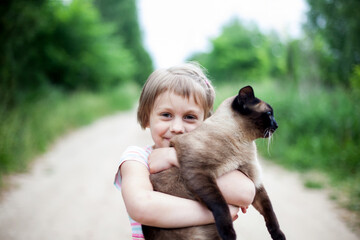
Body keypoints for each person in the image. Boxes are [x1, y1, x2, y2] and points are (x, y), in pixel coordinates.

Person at [114, 62, 256, 239]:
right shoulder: (138, 159)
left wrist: (176, 157)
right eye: (166, 115)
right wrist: (220, 213)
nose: (177, 127)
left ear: (206, 124)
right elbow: (141, 206)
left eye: (190, 117)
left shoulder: (209, 158)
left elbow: (245, 192)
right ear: (146, 118)